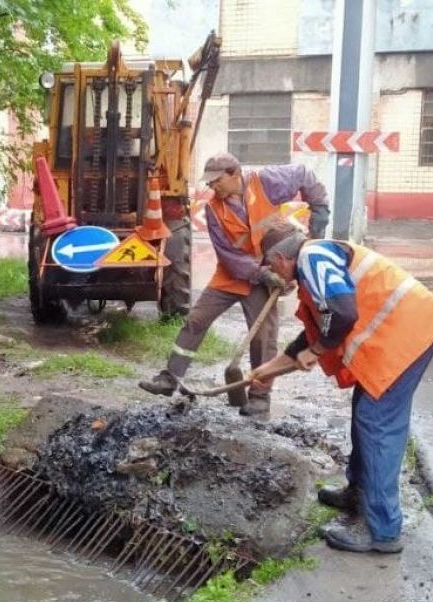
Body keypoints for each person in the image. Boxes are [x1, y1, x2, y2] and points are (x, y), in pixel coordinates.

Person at [250, 223, 433, 554]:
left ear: (282, 257)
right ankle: (358, 492)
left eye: (271, 266)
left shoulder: (312, 257)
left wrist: (314, 354)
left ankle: (383, 532)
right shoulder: (313, 264)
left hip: (407, 334)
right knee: (365, 413)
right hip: (406, 331)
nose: (273, 274)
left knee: (377, 425)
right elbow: (318, 329)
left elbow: (341, 314)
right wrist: (269, 370)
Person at [139, 152, 331, 416]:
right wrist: (260, 274)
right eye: (209, 183)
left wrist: (319, 207)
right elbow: (229, 256)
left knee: (263, 338)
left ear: (234, 173)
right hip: (233, 275)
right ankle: (170, 377)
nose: (212, 187)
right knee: (196, 319)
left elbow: (303, 174)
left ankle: (260, 398)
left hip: (268, 271)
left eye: (217, 181)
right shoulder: (213, 209)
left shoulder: (265, 182)